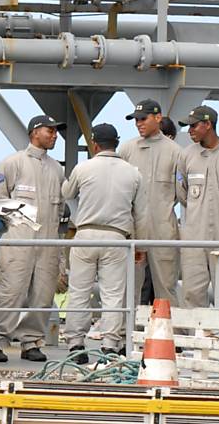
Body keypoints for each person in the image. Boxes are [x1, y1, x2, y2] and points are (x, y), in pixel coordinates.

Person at [0, 114, 66, 363]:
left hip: (47, 242)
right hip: (17, 241)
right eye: (49, 131)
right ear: (34, 132)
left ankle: (31, 341)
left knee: (42, 294)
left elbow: (60, 208)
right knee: (11, 291)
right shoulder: (12, 163)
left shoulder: (57, 169)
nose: (54, 135)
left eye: (55, 131)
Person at [62, 123, 148, 362]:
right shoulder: (133, 172)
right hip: (117, 237)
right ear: (117, 144)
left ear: (95, 144)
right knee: (113, 294)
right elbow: (141, 214)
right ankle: (110, 345)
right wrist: (140, 246)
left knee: (79, 291)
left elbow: (67, 193)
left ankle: (76, 345)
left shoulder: (84, 167)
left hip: (86, 234)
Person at [118, 99, 180, 305]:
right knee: (130, 285)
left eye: (143, 118)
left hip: (163, 229)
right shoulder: (126, 150)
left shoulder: (175, 152)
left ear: (158, 118)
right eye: (136, 120)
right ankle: (126, 331)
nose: (138, 123)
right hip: (132, 228)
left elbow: (183, 192)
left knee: (166, 285)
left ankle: (170, 333)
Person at [176, 105, 219, 308]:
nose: (189, 131)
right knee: (192, 292)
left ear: (208, 124)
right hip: (194, 239)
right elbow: (182, 192)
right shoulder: (186, 156)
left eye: (194, 126)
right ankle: (194, 338)